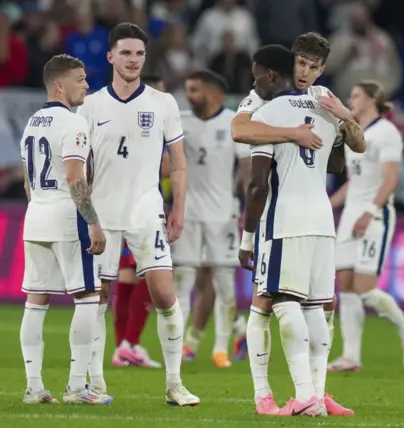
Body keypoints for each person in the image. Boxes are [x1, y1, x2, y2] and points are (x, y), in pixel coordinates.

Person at [231, 32, 364, 417]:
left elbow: (255, 177)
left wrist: (248, 236)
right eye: (300, 63)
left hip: (285, 219)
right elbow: (344, 158)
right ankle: (310, 396)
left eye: (313, 66)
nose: (305, 71)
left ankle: (307, 395)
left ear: (322, 69)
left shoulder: (275, 107)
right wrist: (338, 122)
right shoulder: (318, 105)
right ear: (290, 63)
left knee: (285, 303)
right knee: (315, 308)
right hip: (322, 219)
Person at [76, 22, 199, 405]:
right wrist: (85, 214)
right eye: (126, 53)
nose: (133, 60)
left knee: (164, 294)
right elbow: (80, 167)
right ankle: (95, 381)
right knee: (98, 296)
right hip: (103, 214)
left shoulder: (162, 104)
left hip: (147, 212)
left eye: (140, 54)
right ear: (111, 56)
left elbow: (178, 163)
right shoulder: (91, 104)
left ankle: (174, 384)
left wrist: (177, 207)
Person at [18, 54, 112, 404]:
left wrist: (39, 208)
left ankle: (34, 387)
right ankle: (76, 387)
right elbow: (75, 178)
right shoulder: (72, 123)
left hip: (36, 215)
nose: (86, 84)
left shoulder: (32, 123)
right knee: (88, 296)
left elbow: (28, 182)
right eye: (80, 78)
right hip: (67, 216)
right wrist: (94, 222)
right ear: (60, 84)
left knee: (36, 300)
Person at [328, 81, 404, 373]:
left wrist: (369, 212)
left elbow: (390, 179)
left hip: (375, 216)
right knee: (345, 285)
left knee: (366, 289)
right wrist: (328, 205)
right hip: (350, 214)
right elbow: (354, 181)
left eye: (355, 95)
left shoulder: (387, 133)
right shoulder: (353, 133)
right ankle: (351, 356)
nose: (350, 98)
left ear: (372, 100)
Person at [172, 69, 250, 368]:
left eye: (195, 90)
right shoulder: (181, 121)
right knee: (184, 282)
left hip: (222, 215)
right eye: (188, 90)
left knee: (223, 283)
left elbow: (245, 167)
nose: (190, 96)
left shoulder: (233, 122)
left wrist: (244, 205)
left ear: (214, 93)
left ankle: (220, 349)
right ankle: (178, 347)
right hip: (188, 213)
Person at [111, 74, 169, 369]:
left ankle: (122, 346)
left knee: (126, 277)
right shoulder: (149, 128)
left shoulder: (119, 120)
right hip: (141, 209)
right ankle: (129, 343)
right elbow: (168, 168)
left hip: (117, 206)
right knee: (149, 274)